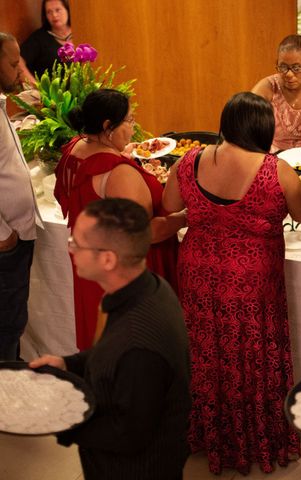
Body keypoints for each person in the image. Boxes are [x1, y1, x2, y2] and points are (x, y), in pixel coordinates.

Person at [162, 92, 301, 475]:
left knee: (206, 352)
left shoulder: (189, 160)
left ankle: (207, 435)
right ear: (264, 129)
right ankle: (255, 436)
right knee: (252, 353)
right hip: (252, 281)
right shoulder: (275, 169)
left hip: (199, 273)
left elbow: (169, 204)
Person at [30, 198, 191, 480]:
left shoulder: (139, 345)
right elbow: (110, 353)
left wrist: (60, 420)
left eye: (77, 243)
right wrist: (67, 363)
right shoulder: (150, 287)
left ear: (107, 259)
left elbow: (129, 435)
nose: (71, 249)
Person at [54, 88, 186, 350]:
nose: (133, 129)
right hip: (131, 272)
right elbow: (146, 232)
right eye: (129, 121)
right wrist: (185, 217)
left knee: (104, 338)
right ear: (107, 126)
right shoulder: (117, 172)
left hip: (94, 267)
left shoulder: (73, 149)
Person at [0, 32, 42, 360]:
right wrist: (3, 236)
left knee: (13, 324)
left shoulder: (2, 102)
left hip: (14, 236)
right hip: (5, 244)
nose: (19, 70)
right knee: (6, 327)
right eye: (14, 63)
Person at [19, 0, 72, 85]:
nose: (54, 15)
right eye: (49, 12)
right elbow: (18, 61)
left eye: (58, 10)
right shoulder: (39, 38)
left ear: (67, 10)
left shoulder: (80, 30)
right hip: (53, 96)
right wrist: (36, 86)